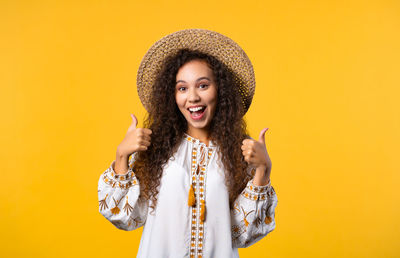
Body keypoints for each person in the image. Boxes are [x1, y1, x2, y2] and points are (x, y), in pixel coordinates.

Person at [97, 28, 278, 258]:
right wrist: (122, 155)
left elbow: (243, 235)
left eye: (203, 85)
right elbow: (125, 217)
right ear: (172, 96)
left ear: (220, 90)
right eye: (182, 88)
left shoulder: (240, 154)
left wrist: (263, 170)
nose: (192, 97)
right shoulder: (155, 149)